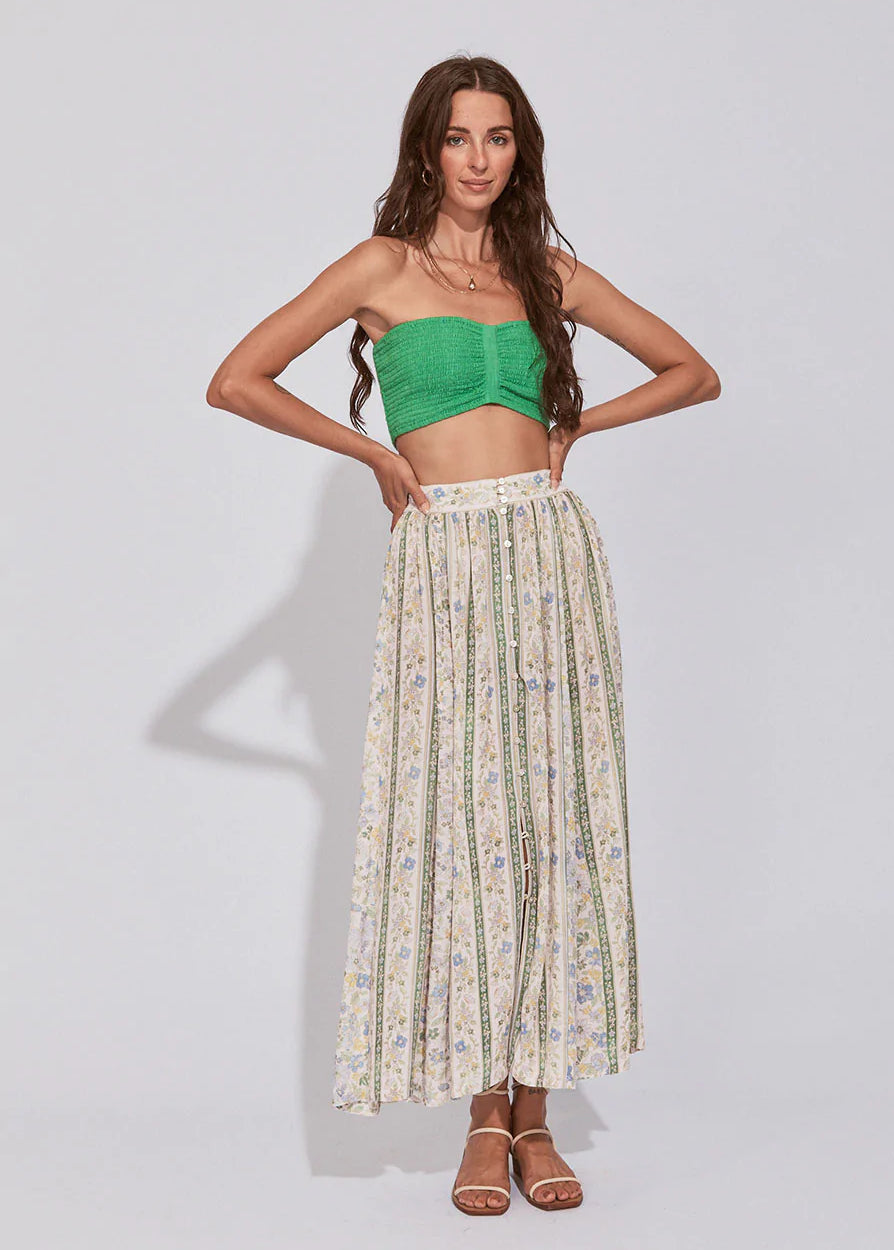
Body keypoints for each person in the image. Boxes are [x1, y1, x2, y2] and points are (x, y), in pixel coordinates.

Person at [206, 53, 720, 1216]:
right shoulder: (380, 267)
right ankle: (484, 1115)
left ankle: (536, 1111)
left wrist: (576, 426)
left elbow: (693, 372)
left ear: (518, 150)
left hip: (548, 556)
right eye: (456, 137)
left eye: (497, 136)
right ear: (424, 149)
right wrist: (373, 453)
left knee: (550, 823)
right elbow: (237, 379)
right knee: (467, 827)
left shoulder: (547, 270)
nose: (478, 158)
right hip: (443, 562)